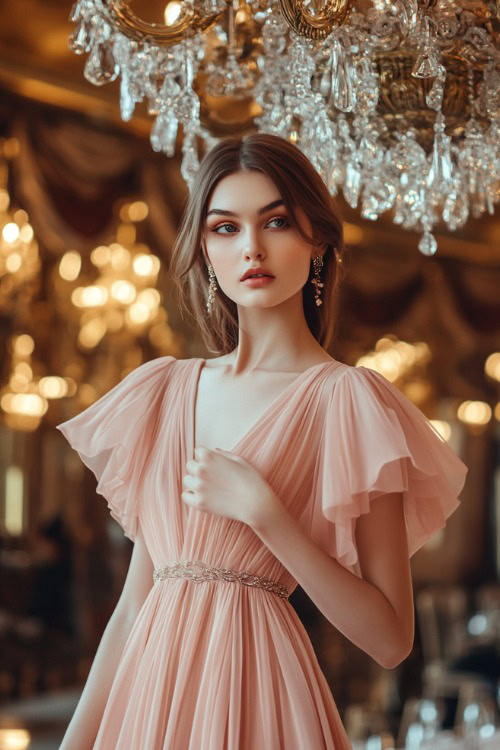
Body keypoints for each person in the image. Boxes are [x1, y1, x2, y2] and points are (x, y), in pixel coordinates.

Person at [55, 133, 468, 749]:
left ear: (317, 239)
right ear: (204, 249)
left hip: (261, 697)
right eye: (225, 228)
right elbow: (133, 605)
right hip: (147, 708)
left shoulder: (350, 401)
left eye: (275, 221)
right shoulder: (166, 391)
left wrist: (268, 516)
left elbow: (391, 641)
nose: (251, 247)